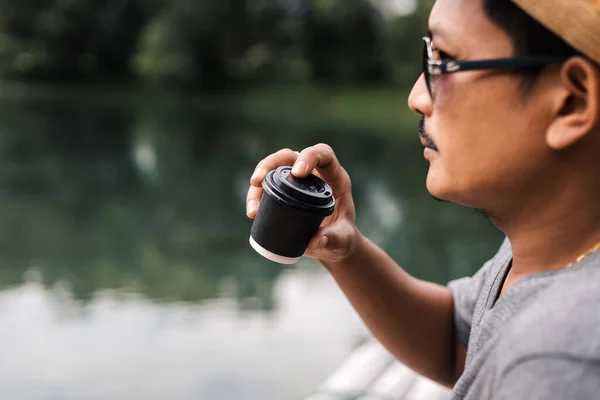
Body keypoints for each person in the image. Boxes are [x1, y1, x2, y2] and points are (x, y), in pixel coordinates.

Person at [245, 0, 600, 398]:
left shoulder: (559, 364)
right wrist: (344, 252)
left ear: (571, 100)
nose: (417, 96)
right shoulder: (556, 247)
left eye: (443, 60)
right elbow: (457, 344)